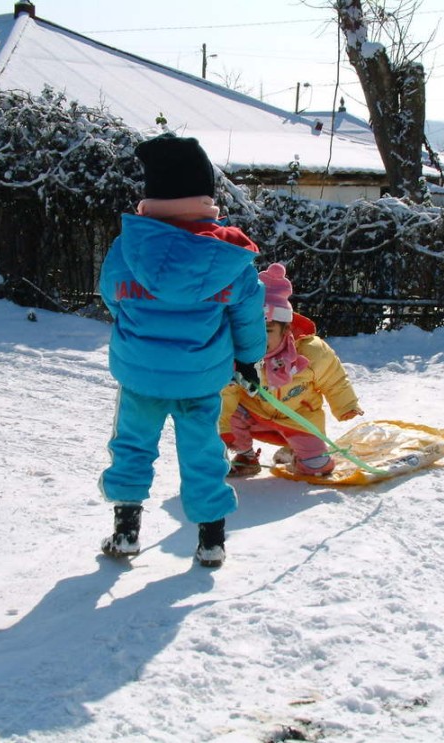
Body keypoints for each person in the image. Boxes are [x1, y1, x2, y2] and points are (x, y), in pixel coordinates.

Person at [97, 133, 267, 567]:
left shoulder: (128, 247)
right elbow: (246, 314)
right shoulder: (225, 256)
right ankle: (211, 539)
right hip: (201, 378)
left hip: (141, 375)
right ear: (205, 194)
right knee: (203, 452)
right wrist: (247, 358)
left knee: (133, 446)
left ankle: (126, 530)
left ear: (152, 196)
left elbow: (112, 296)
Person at [220, 262, 364, 477]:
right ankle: (246, 457)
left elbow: (334, 379)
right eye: (252, 330)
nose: (258, 337)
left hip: (299, 417)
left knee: (318, 468)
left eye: (267, 330)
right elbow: (226, 393)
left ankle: (299, 454)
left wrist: (346, 405)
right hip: (256, 415)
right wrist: (224, 429)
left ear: (286, 328)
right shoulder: (240, 355)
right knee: (230, 414)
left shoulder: (310, 351)